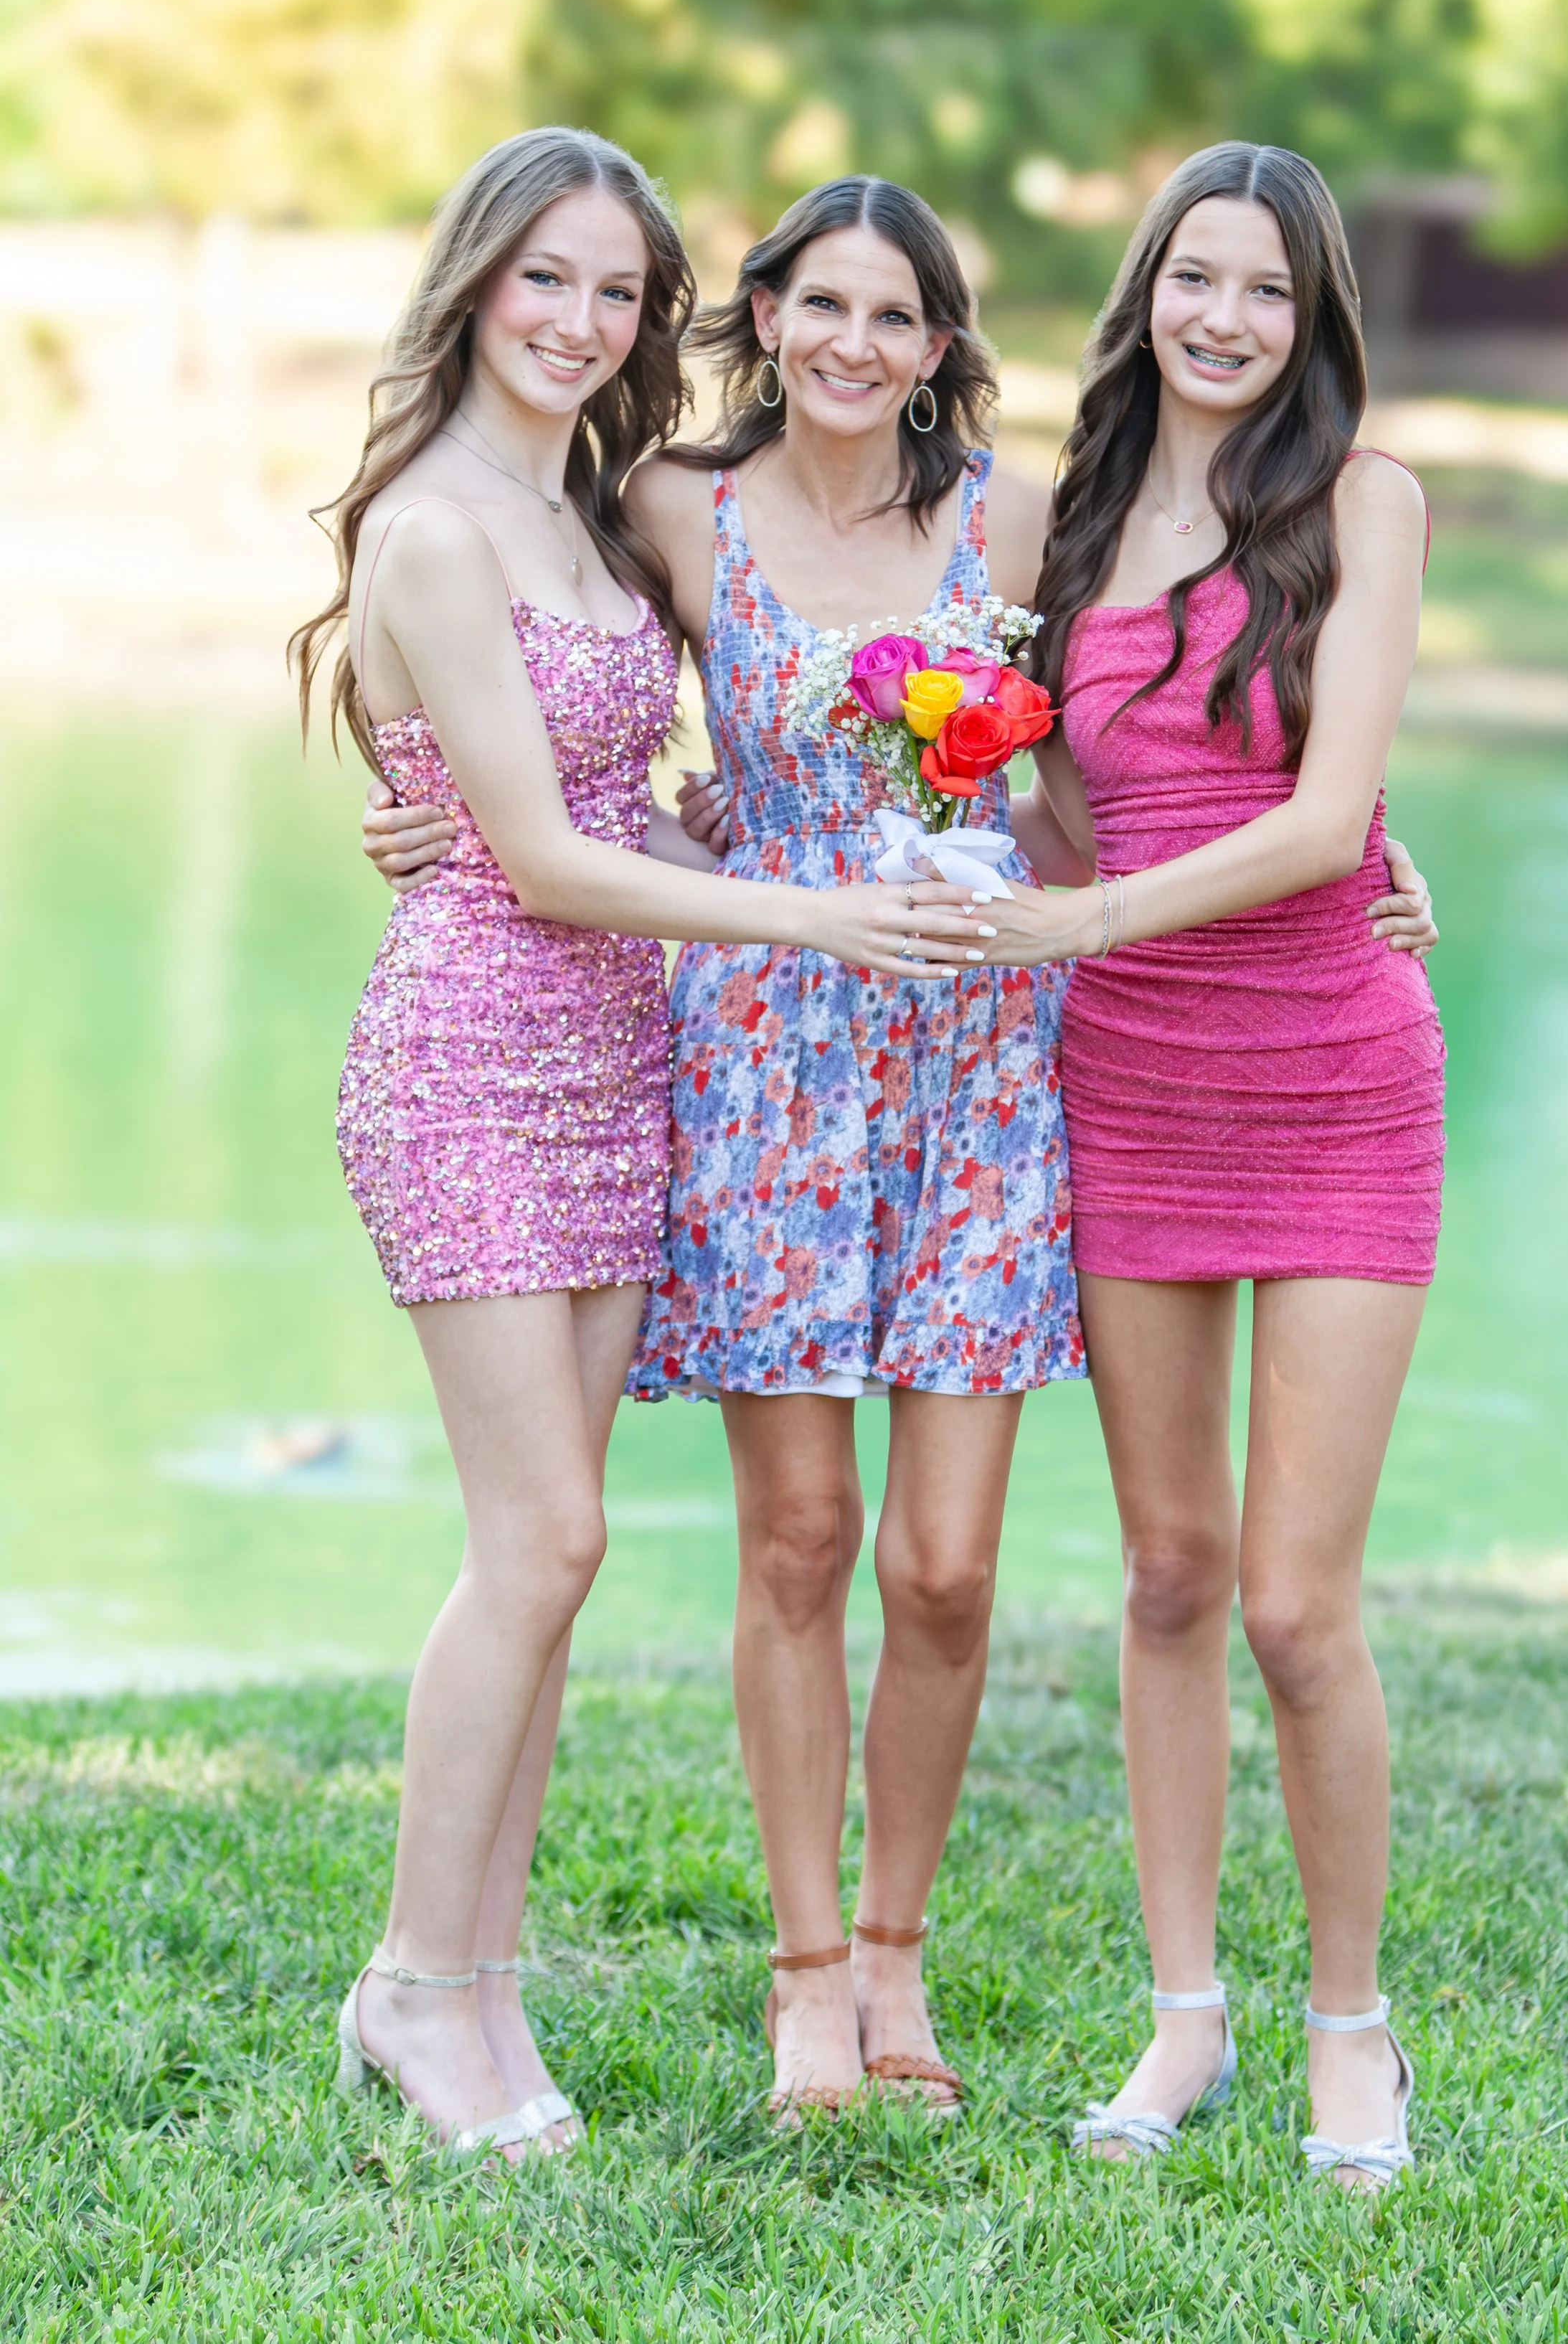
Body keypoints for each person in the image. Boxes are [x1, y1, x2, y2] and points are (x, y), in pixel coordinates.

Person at [363, 166, 1442, 2131]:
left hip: (981, 1070)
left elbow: (1120, 755)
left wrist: (1373, 850)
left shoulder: (1026, 518)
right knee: (799, 1541)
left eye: (896, 315)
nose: (854, 345)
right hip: (762, 1057)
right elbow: (536, 698)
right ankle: (801, 1980)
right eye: (819, 306)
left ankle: (897, 1954)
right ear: (762, 315)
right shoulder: (665, 511)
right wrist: (412, 805)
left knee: (944, 1567)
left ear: (944, 345)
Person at [291, 130, 991, 2161]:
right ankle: (419, 1984)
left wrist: (782, 850)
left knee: (554, 1556)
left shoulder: (589, 516)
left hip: (627, 1068)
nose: (581, 319)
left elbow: (628, 804)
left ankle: (480, 1987)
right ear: (475, 282)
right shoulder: (439, 526)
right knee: (546, 1542)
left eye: (615, 290)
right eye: (546, 279)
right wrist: (811, 912)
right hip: (476, 1064)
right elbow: (536, 857)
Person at [944, 142, 1443, 2188]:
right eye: (1190, 276)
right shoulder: (1052, 524)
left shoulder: (1361, 505)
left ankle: (1351, 2029)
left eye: (1261, 288)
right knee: (1162, 1570)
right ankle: (1184, 2022)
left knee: (1295, 1604)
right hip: (1129, 1082)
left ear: (1310, 315)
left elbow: (1327, 821)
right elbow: (1055, 811)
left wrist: (1082, 921)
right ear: (1143, 286)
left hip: (1333, 1075)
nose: (1220, 316)